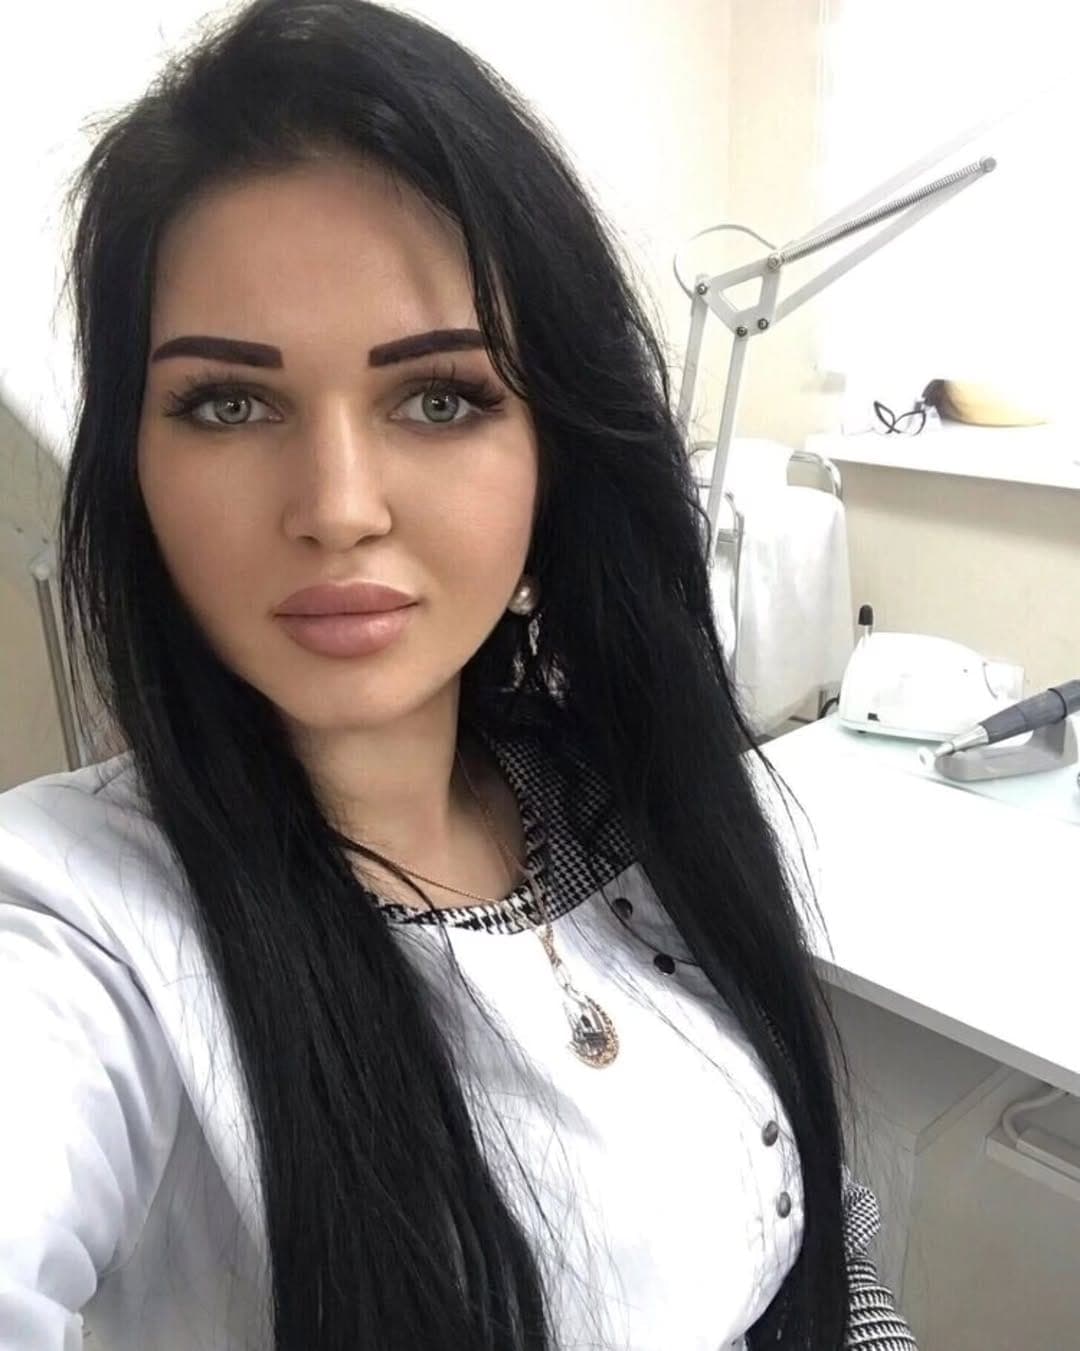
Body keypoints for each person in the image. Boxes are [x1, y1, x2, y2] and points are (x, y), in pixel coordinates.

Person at [0, 2, 918, 1348]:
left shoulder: (612, 792)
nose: (338, 506)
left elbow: (808, 1209)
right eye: (230, 403)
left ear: (557, 450)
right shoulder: (80, 932)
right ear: (133, 467)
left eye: (439, 398)